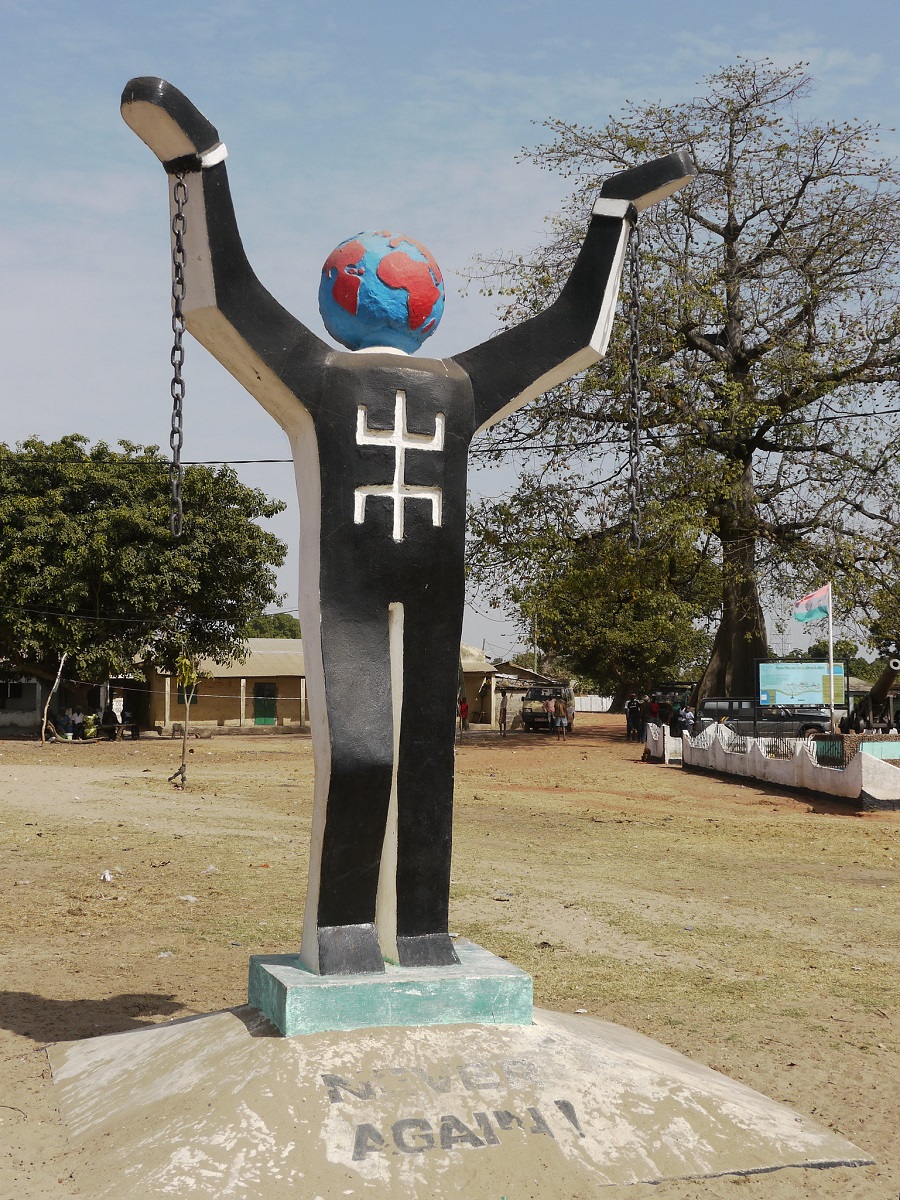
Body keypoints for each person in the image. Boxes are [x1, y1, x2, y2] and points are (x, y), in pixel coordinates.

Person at [121, 77, 695, 975]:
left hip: (433, 593)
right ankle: (344, 931)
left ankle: (423, 930)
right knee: (358, 754)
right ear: (416, 307)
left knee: (430, 764)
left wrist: (614, 212)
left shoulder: (458, 386)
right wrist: (198, 162)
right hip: (344, 593)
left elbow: (574, 329)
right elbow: (223, 298)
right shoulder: (317, 376)